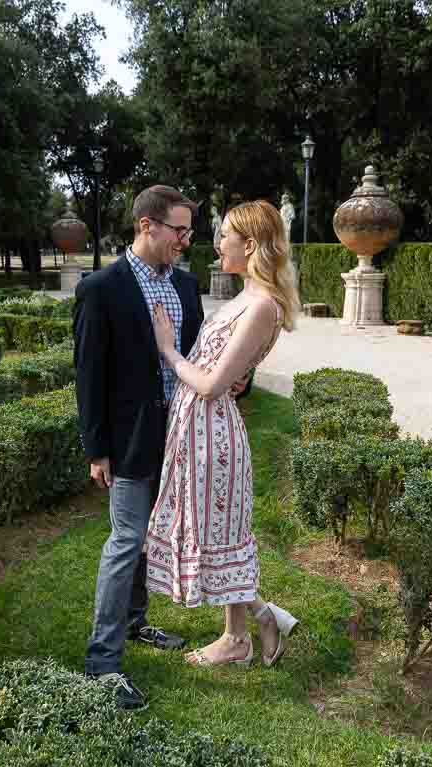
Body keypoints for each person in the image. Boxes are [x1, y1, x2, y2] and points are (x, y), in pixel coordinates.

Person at [145, 199, 300, 668]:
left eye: (225, 235)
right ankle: (259, 620)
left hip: (212, 431)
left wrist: (169, 352)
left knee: (220, 533)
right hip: (194, 428)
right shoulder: (243, 298)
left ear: (250, 245)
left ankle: (241, 635)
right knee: (211, 532)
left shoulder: (262, 307)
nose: (216, 243)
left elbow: (213, 384)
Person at [73, 185, 207, 710]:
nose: (185, 239)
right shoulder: (102, 288)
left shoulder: (188, 286)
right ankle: (101, 664)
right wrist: (96, 448)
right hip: (128, 440)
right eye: (179, 229)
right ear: (146, 225)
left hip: (178, 437)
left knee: (150, 539)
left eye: (188, 231)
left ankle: (135, 623)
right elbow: (89, 373)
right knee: (126, 540)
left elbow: (199, 353)